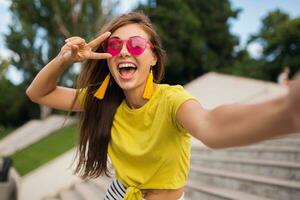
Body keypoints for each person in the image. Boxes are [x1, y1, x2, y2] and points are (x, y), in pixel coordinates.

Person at [26, 11, 300, 200]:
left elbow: (211, 125)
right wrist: (64, 59)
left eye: (135, 45)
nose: (123, 51)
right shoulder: (103, 99)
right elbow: (39, 93)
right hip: (119, 194)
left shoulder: (171, 99)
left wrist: (288, 111)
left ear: (153, 57)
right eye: (114, 45)